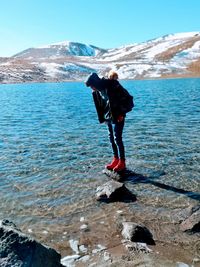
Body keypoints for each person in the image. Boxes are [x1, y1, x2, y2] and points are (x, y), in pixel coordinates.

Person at [85, 72, 133, 172]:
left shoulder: (112, 84)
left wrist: (122, 114)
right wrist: (102, 118)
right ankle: (116, 159)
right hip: (108, 116)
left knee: (117, 138)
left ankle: (122, 162)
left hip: (118, 115)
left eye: (92, 86)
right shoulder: (97, 91)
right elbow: (100, 105)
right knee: (111, 138)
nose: (92, 89)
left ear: (96, 83)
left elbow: (127, 98)